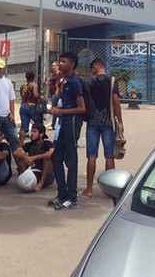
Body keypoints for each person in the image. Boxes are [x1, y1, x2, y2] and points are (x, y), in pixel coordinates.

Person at [80, 58, 124, 198]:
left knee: (91, 156)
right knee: (109, 155)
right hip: (108, 122)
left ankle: (89, 190)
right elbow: (115, 102)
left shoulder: (89, 82)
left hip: (92, 122)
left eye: (92, 68)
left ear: (96, 67)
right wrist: (120, 121)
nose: (92, 71)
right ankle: (111, 191)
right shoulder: (112, 81)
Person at [47, 52, 85, 210]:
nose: (60, 64)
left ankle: (72, 198)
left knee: (71, 159)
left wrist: (60, 112)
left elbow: (81, 108)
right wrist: (57, 110)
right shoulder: (65, 81)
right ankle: (62, 194)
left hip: (72, 122)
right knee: (56, 157)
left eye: (63, 62)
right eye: (59, 61)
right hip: (64, 122)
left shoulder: (75, 82)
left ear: (72, 64)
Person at [15, 123, 55, 192]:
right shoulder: (29, 144)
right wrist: (26, 157)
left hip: (45, 176)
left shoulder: (47, 144)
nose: (32, 134)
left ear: (41, 134)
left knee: (48, 158)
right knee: (21, 158)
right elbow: (16, 152)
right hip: (32, 173)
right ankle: (25, 180)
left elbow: (52, 153)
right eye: (31, 131)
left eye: (34, 131)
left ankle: (40, 184)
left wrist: (34, 157)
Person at [19, 71, 43, 145]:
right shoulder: (33, 85)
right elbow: (35, 95)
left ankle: (20, 145)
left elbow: (21, 94)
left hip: (23, 106)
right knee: (39, 125)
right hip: (32, 106)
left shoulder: (23, 85)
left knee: (23, 127)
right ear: (33, 77)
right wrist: (40, 97)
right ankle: (39, 142)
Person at [48, 61, 63, 129]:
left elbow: (59, 83)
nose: (53, 67)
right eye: (52, 66)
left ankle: (53, 125)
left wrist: (57, 92)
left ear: (57, 66)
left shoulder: (59, 74)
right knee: (55, 107)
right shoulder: (53, 74)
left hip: (56, 93)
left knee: (55, 108)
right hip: (52, 93)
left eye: (54, 66)